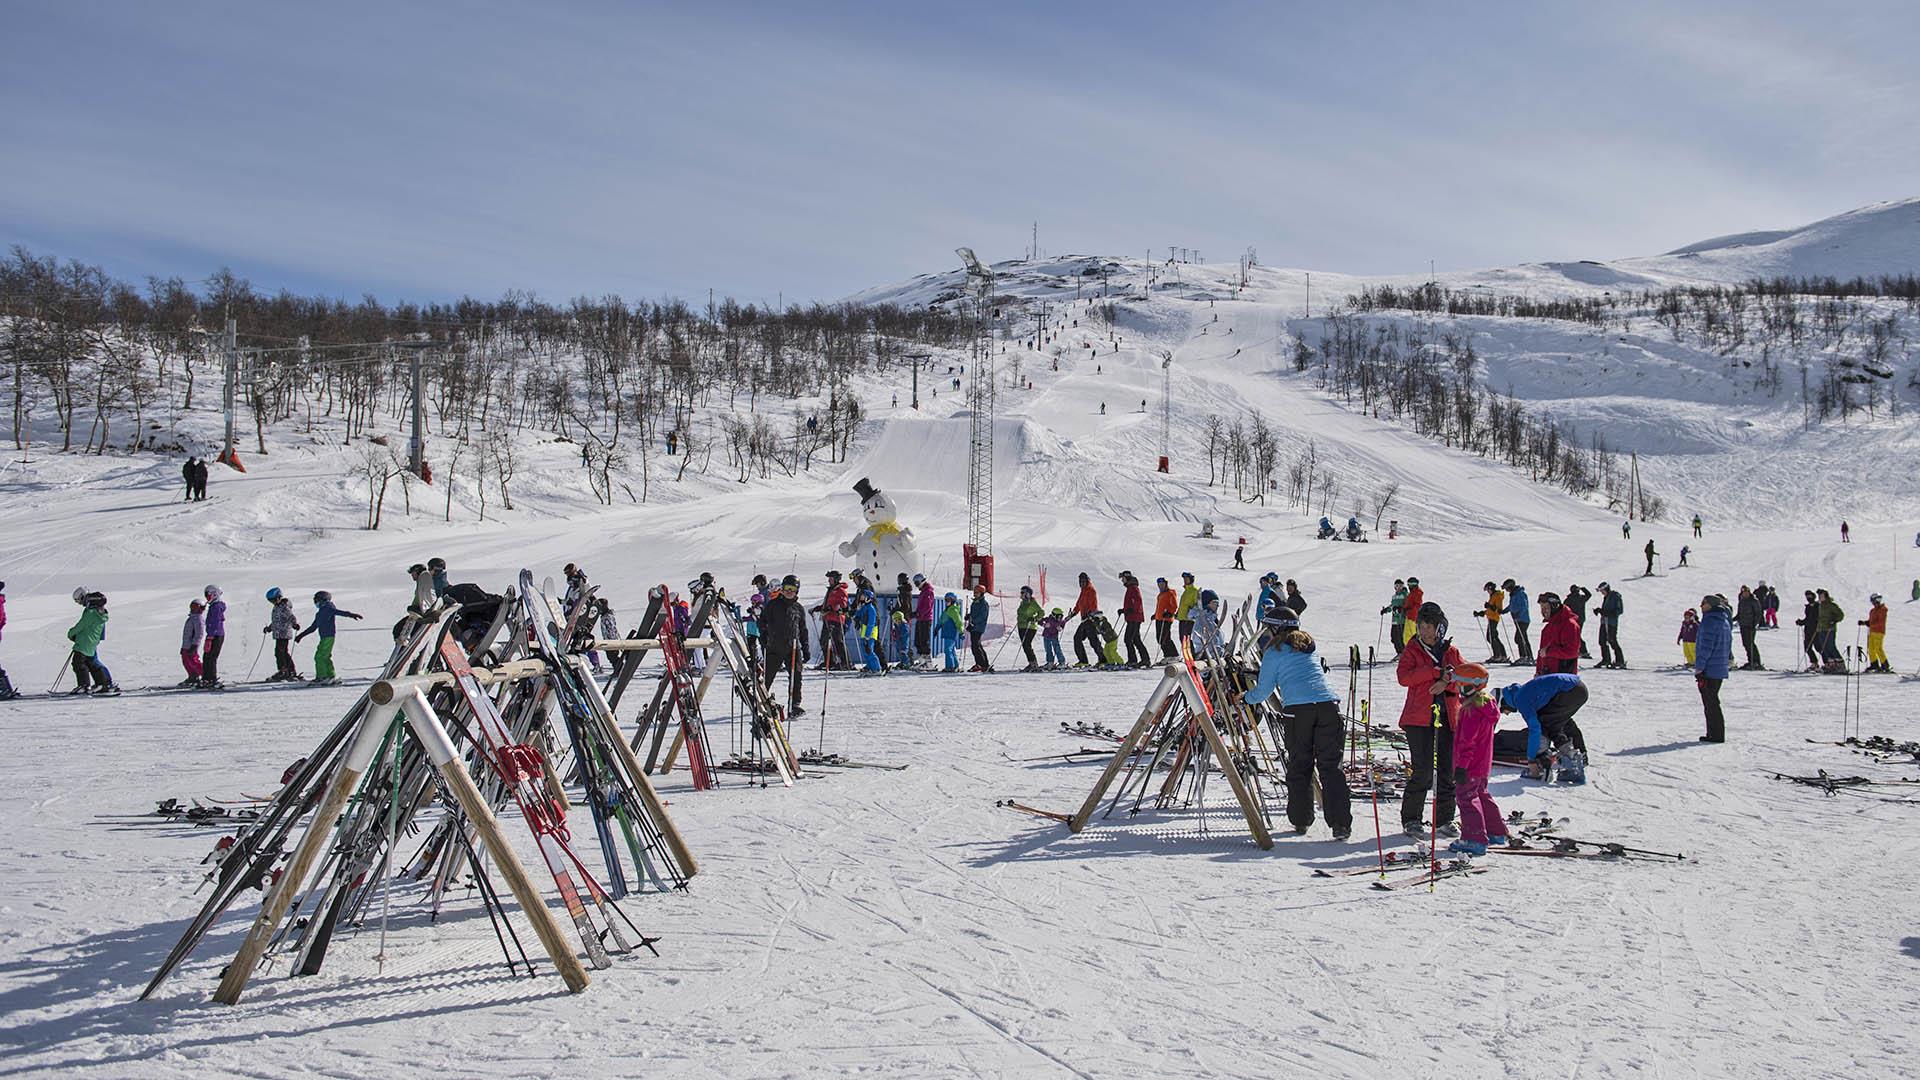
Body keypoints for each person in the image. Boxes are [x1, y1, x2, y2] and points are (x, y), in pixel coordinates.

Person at [1244, 607, 1351, 840]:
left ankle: (1301, 820)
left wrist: (1245, 698)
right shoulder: (1308, 646)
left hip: (1298, 712)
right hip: (1328, 707)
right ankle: (1341, 824)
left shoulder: (1274, 651)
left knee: (1300, 765)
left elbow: (1263, 690)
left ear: (1276, 628)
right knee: (1331, 768)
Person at [1397, 602, 1462, 838]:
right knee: (1423, 771)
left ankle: (1444, 819)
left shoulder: (1450, 651)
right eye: (1421, 626)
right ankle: (1411, 818)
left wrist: (1447, 682)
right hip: (1418, 719)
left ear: (1439, 628)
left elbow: (1465, 676)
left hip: (1447, 716)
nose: (1424, 631)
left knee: (1447, 772)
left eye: (1428, 627)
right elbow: (1404, 677)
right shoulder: (1413, 649)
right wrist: (1435, 672)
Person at [1448, 664, 1506, 855]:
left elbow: (1467, 742)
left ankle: (1474, 838)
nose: (1456, 688)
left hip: (1470, 765)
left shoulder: (1470, 711)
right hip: (1482, 764)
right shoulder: (1486, 705)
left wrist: (1461, 767)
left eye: (1458, 684)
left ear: (1468, 686)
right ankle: (1495, 831)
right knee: (1482, 795)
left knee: (1467, 799)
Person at [1496, 672, 1591, 780]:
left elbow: (1535, 729)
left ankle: (1564, 764)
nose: (1507, 713)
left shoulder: (1521, 699)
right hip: (1578, 688)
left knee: (1546, 725)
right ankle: (1578, 757)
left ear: (1504, 702)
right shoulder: (1524, 693)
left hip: (1569, 691)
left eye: (1503, 710)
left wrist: (1531, 758)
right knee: (1558, 723)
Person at [759, 577, 808, 715]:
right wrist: (764, 637)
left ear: (797, 590)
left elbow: (803, 629)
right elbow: (762, 622)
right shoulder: (773, 605)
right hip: (775, 646)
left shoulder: (798, 608)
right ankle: (760, 700)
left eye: (792, 589)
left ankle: (795, 705)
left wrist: (806, 648)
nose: (789, 592)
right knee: (768, 676)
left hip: (793, 647)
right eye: (786, 588)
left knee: (796, 677)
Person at [296, 590, 364, 684]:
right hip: (325, 637)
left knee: (319, 656)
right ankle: (330, 675)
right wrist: (301, 635)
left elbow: (339, 612)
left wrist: (351, 615)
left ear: (323, 600)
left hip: (328, 636)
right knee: (325, 656)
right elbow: (313, 627)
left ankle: (322, 676)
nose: (315, 603)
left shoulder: (328, 608)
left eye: (317, 600)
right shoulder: (320, 613)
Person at [1694, 594, 1732, 742]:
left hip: (1710, 668)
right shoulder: (1723, 620)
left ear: (1710, 605)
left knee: (1711, 703)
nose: (1701, 606)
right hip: (1719, 667)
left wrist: (1699, 667)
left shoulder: (1710, 621)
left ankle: (1716, 734)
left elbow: (1705, 647)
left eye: (1703, 603)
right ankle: (1713, 733)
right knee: (1712, 701)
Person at [67, 589, 117, 694]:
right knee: (91, 663)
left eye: (78, 601)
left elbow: (81, 625)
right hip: (91, 642)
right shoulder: (99, 613)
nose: (79, 603)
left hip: (84, 642)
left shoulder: (90, 612)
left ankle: (84, 685)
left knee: (78, 663)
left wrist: (71, 633)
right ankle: (102, 683)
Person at [1535, 591, 1580, 675]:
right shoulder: (1547, 628)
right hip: (1548, 677)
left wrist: (1549, 651)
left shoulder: (1569, 625)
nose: (1543, 611)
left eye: (1546, 607)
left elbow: (1571, 652)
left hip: (1563, 679)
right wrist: (1539, 672)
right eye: (1541, 608)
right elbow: (1542, 654)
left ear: (1555, 606)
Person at [263, 587, 303, 681]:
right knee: (283, 652)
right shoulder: (277, 607)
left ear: (279, 597)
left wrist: (294, 624)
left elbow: (291, 617)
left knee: (279, 652)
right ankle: (290, 671)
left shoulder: (284, 607)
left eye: (274, 600)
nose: (272, 602)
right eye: (270, 601)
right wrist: (269, 628)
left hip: (284, 633)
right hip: (278, 633)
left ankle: (283, 671)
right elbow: (276, 621)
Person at [1069, 572, 1102, 667]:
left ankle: (1103, 659)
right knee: (1078, 638)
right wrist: (1074, 613)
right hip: (1084, 620)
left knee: (1093, 641)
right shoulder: (1083, 591)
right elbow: (1079, 604)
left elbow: (1093, 604)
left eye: (1084, 581)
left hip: (1090, 619)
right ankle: (1083, 660)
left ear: (1087, 581)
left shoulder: (1091, 590)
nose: (1082, 583)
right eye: (1080, 582)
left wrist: (1090, 614)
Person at [1119, 571, 1149, 667]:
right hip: (1133, 617)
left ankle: (1133, 660)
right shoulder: (1130, 588)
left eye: (1123, 578)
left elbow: (1137, 601)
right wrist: (1124, 610)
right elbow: (1131, 603)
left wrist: (1132, 610)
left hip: (1134, 618)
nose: (1122, 580)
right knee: (1135, 639)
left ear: (1127, 578)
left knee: (1128, 639)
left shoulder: (1133, 588)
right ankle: (1144, 659)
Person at [1475, 581, 1509, 663]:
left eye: (1488, 590)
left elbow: (1498, 610)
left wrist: (1489, 606)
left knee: (1491, 637)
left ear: (1491, 588)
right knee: (1493, 637)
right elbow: (1490, 610)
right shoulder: (1493, 596)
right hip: (1491, 618)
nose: (1488, 592)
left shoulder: (1497, 596)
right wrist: (1480, 613)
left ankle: (1498, 656)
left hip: (1494, 619)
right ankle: (1502, 655)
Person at [201, 584, 227, 688]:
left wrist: (211, 635)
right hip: (213, 635)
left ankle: (211, 679)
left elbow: (215, 622)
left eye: (208, 595)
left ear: (214, 595)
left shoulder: (216, 607)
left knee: (211, 657)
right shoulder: (213, 606)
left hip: (216, 635)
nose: (207, 598)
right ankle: (206, 678)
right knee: (207, 657)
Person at [1595, 582, 1625, 669]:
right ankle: (1606, 659)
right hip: (1604, 622)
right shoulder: (1607, 597)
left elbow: (1619, 610)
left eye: (1602, 590)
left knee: (1612, 640)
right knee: (1602, 641)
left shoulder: (1615, 596)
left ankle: (1620, 660)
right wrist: (1600, 611)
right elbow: (1605, 610)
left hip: (1611, 623)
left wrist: (1606, 613)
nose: (1601, 593)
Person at [1502, 579, 1532, 665]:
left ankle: (1524, 657)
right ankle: (1528, 656)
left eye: (1507, 588)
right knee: (1523, 638)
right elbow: (1512, 605)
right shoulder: (1514, 594)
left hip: (1523, 620)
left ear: (1510, 586)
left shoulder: (1520, 594)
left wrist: (1518, 614)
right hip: (1518, 620)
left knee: (1519, 638)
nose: (1506, 590)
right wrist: (1504, 611)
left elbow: (1524, 606)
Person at [855, 589, 884, 673]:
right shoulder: (864, 607)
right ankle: (870, 666)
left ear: (868, 598)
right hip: (864, 633)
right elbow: (860, 614)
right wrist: (857, 613)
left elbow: (871, 623)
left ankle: (877, 668)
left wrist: (868, 635)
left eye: (863, 596)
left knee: (869, 651)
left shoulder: (871, 609)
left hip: (870, 634)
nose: (861, 597)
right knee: (865, 651)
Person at [1014, 585, 1043, 671]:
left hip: (1030, 627)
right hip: (1021, 626)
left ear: (1028, 594)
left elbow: (1041, 612)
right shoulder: (1022, 603)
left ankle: (1034, 663)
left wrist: (1035, 618)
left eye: (1023, 592)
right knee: (1024, 645)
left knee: (1027, 644)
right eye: (1021, 592)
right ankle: (1031, 663)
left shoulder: (1032, 602)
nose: (1021, 594)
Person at [1734, 585, 1763, 670]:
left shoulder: (1753, 601)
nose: (1745, 594)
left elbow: (1758, 613)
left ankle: (1756, 661)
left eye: (1746, 592)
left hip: (1750, 625)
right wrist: (1733, 619)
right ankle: (1750, 660)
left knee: (1750, 643)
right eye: (1743, 592)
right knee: (1746, 644)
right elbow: (1739, 614)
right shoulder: (1742, 601)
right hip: (1743, 625)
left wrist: (1754, 624)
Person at [1814, 589, 1844, 670]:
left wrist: (1834, 620)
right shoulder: (1820, 606)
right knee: (1824, 647)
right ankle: (1831, 664)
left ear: (1825, 596)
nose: (1819, 597)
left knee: (1830, 646)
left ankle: (1840, 663)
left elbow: (1840, 615)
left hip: (1829, 629)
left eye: (1821, 595)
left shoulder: (1831, 605)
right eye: (1819, 595)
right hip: (1821, 629)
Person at [180, 599, 206, 688]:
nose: (192, 609)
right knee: (186, 661)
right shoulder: (192, 617)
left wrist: (195, 645)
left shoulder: (198, 619)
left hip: (192, 645)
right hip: (186, 645)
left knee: (193, 661)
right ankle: (193, 676)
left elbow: (199, 633)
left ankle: (206, 675)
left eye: (194, 607)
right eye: (191, 606)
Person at [966, 585, 993, 673]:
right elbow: (974, 614)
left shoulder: (983, 604)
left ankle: (981, 664)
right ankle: (984, 664)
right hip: (974, 626)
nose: (975, 594)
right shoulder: (975, 602)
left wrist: (973, 623)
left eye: (977, 593)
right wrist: (969, 616)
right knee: (977, 645)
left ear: (981, 593)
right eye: (974, 592)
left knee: (975, 646)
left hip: (979, 627)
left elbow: (982, 616)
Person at [1860, 594, 1890, 673]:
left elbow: (1880, 622)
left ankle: (1885, 665)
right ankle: (1874, 664)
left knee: (1878, 648)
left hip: (1879, 632)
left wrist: (1869, 624)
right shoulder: (1872, 611)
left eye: (1873, 601)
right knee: (1871, 649)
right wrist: (1864, 622)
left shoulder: (1883, 609)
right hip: (1872, 631)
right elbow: (1871, 622)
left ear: (1878, 600)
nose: (1873, 603)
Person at [1152, 577, 1179, 660]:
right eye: (1159, 584)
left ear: (1166, 584)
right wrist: (1155, 614)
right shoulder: (1160, 594)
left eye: (1162, 584)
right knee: (1159, 638)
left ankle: (1174, 655)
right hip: (1159, 618)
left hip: (1166, 619)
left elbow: (1174, 606)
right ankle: (1167, 655)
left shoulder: (1170, 593)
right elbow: (1159, 607)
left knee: (1165, 638)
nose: (1160, 586)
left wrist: (1169, 613)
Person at [1794, 589, 1821, 670]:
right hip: (1808, 630)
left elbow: (1815, 618)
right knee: (1807, 647)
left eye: (1810, 596)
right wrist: (1801, 622)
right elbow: (1808, 618)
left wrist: (1805, 622)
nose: (1808, 597)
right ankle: (1814, 663)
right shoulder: (1808, 607)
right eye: (1807, 596)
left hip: (1816, 630)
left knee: (1818, 647)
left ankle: (1827, 663)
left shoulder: (1818, 606)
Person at [1564, 582, 1592, 659]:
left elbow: (1564, 609)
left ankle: (1582, 651)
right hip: (1581, 619)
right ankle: (1582, 650)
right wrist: (1583, 588)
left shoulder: (1568, 599)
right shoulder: (1581, 598)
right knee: (1577, 635)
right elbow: (1589, 595)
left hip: (1572, 620)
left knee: (1575, 635)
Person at [1381, 580, 1408, 657]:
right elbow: (1392, 606)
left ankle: (1404, 653)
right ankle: (1399, 653)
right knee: (1394, 637)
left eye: (1400, 586)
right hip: (1395, 620)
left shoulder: (1405, 595)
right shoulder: (1394, 596)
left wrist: (1401, 609)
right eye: (1397, 586)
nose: (1399, 588)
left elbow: (1407, 606)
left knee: (1401, 638)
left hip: (1401, 620)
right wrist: (1386, 610)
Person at [938, 592, 964, 671]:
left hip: (951, 633)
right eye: (945, 600)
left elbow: (958, 622)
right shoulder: (947, 610)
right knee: (951, 650)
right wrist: (937, 627)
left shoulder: (953, 610)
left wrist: (961, 632)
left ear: (953, 600)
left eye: (948, 600)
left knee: (947, 650)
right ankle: (955, 665)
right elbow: (942, 620)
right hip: (947, 632)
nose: (946, 601)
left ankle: (950, 667)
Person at [914, 575, 936, 663]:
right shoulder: (923, 591)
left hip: (926, 619)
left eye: (917, 583)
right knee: (918, 641)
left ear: (922, 581)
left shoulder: (928, 591)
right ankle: (922, 661)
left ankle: (928, 662)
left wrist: (919, 613)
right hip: (920, 618)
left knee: (924, 640)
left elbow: (927, 606)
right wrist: (916, 613)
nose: (916, 585)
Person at [1176, 572, 1200, 642]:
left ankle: (1192, 653)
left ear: (1191, 579)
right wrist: (1178, 613)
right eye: (1184, 579)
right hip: (1182, 618)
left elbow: (1197, 605)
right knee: (1182, 639)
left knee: (1187, 640)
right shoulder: (1186, 591)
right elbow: (1183, 605)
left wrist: (1191, 611)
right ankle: (1186, 653)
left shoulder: (1195, 591)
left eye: (1187, 579)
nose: (1185, 580)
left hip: (1189, 620)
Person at [1401, 578, 1424, 649]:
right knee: (1406, 636)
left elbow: (1417, 606)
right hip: (1409, 616)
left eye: (1409, 585)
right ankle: (1409, 650)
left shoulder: (1417, 593)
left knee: (1412, 635)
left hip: (1413, 617)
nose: (1408, 586)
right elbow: (1408, 604)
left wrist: (1407, 610)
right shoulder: (1412, 593)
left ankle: (1414, 651)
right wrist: (1404, 609)